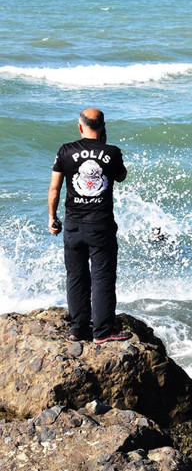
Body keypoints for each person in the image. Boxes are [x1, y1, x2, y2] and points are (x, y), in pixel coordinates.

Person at [48, 108, 133, 344]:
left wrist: (52, 217)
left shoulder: (65, 151)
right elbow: (121, 176)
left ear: (80, 126)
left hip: (73, 225)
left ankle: (77, 329)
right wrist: (104, 145)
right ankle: (103, 332)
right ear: (103, 127)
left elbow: (54, 188)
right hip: (101, 227)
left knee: (76, 276)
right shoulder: (112, 153)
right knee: (102, 277)